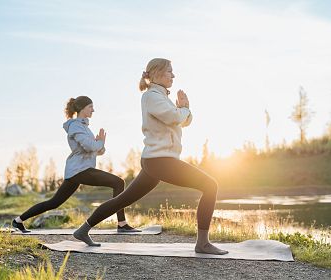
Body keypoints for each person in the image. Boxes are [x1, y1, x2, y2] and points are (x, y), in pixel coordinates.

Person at [73, 58, 228, 254]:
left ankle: (83, 230)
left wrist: (185, 107)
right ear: (156, 74)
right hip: (160, 160)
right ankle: (203, 243)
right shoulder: (151, 97)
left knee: (123, 199)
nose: (173, 75)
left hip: (156, 160)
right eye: (169, 71)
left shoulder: (161, 96)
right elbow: (173, 117)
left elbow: (181, 121)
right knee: (210, 185)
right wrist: (183, 109)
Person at [12, 96, 139, 241]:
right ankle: (121, 223)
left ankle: (18, 221)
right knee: (118, 182)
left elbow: (97, 151)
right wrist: (99, 143)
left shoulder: (84, 127)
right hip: (80, 169)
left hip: (79, 170)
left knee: (54, 202)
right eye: (91, 106)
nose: (93, 110)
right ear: (82, 108)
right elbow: (89, 147)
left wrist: (99, 144)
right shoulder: (75, 126)